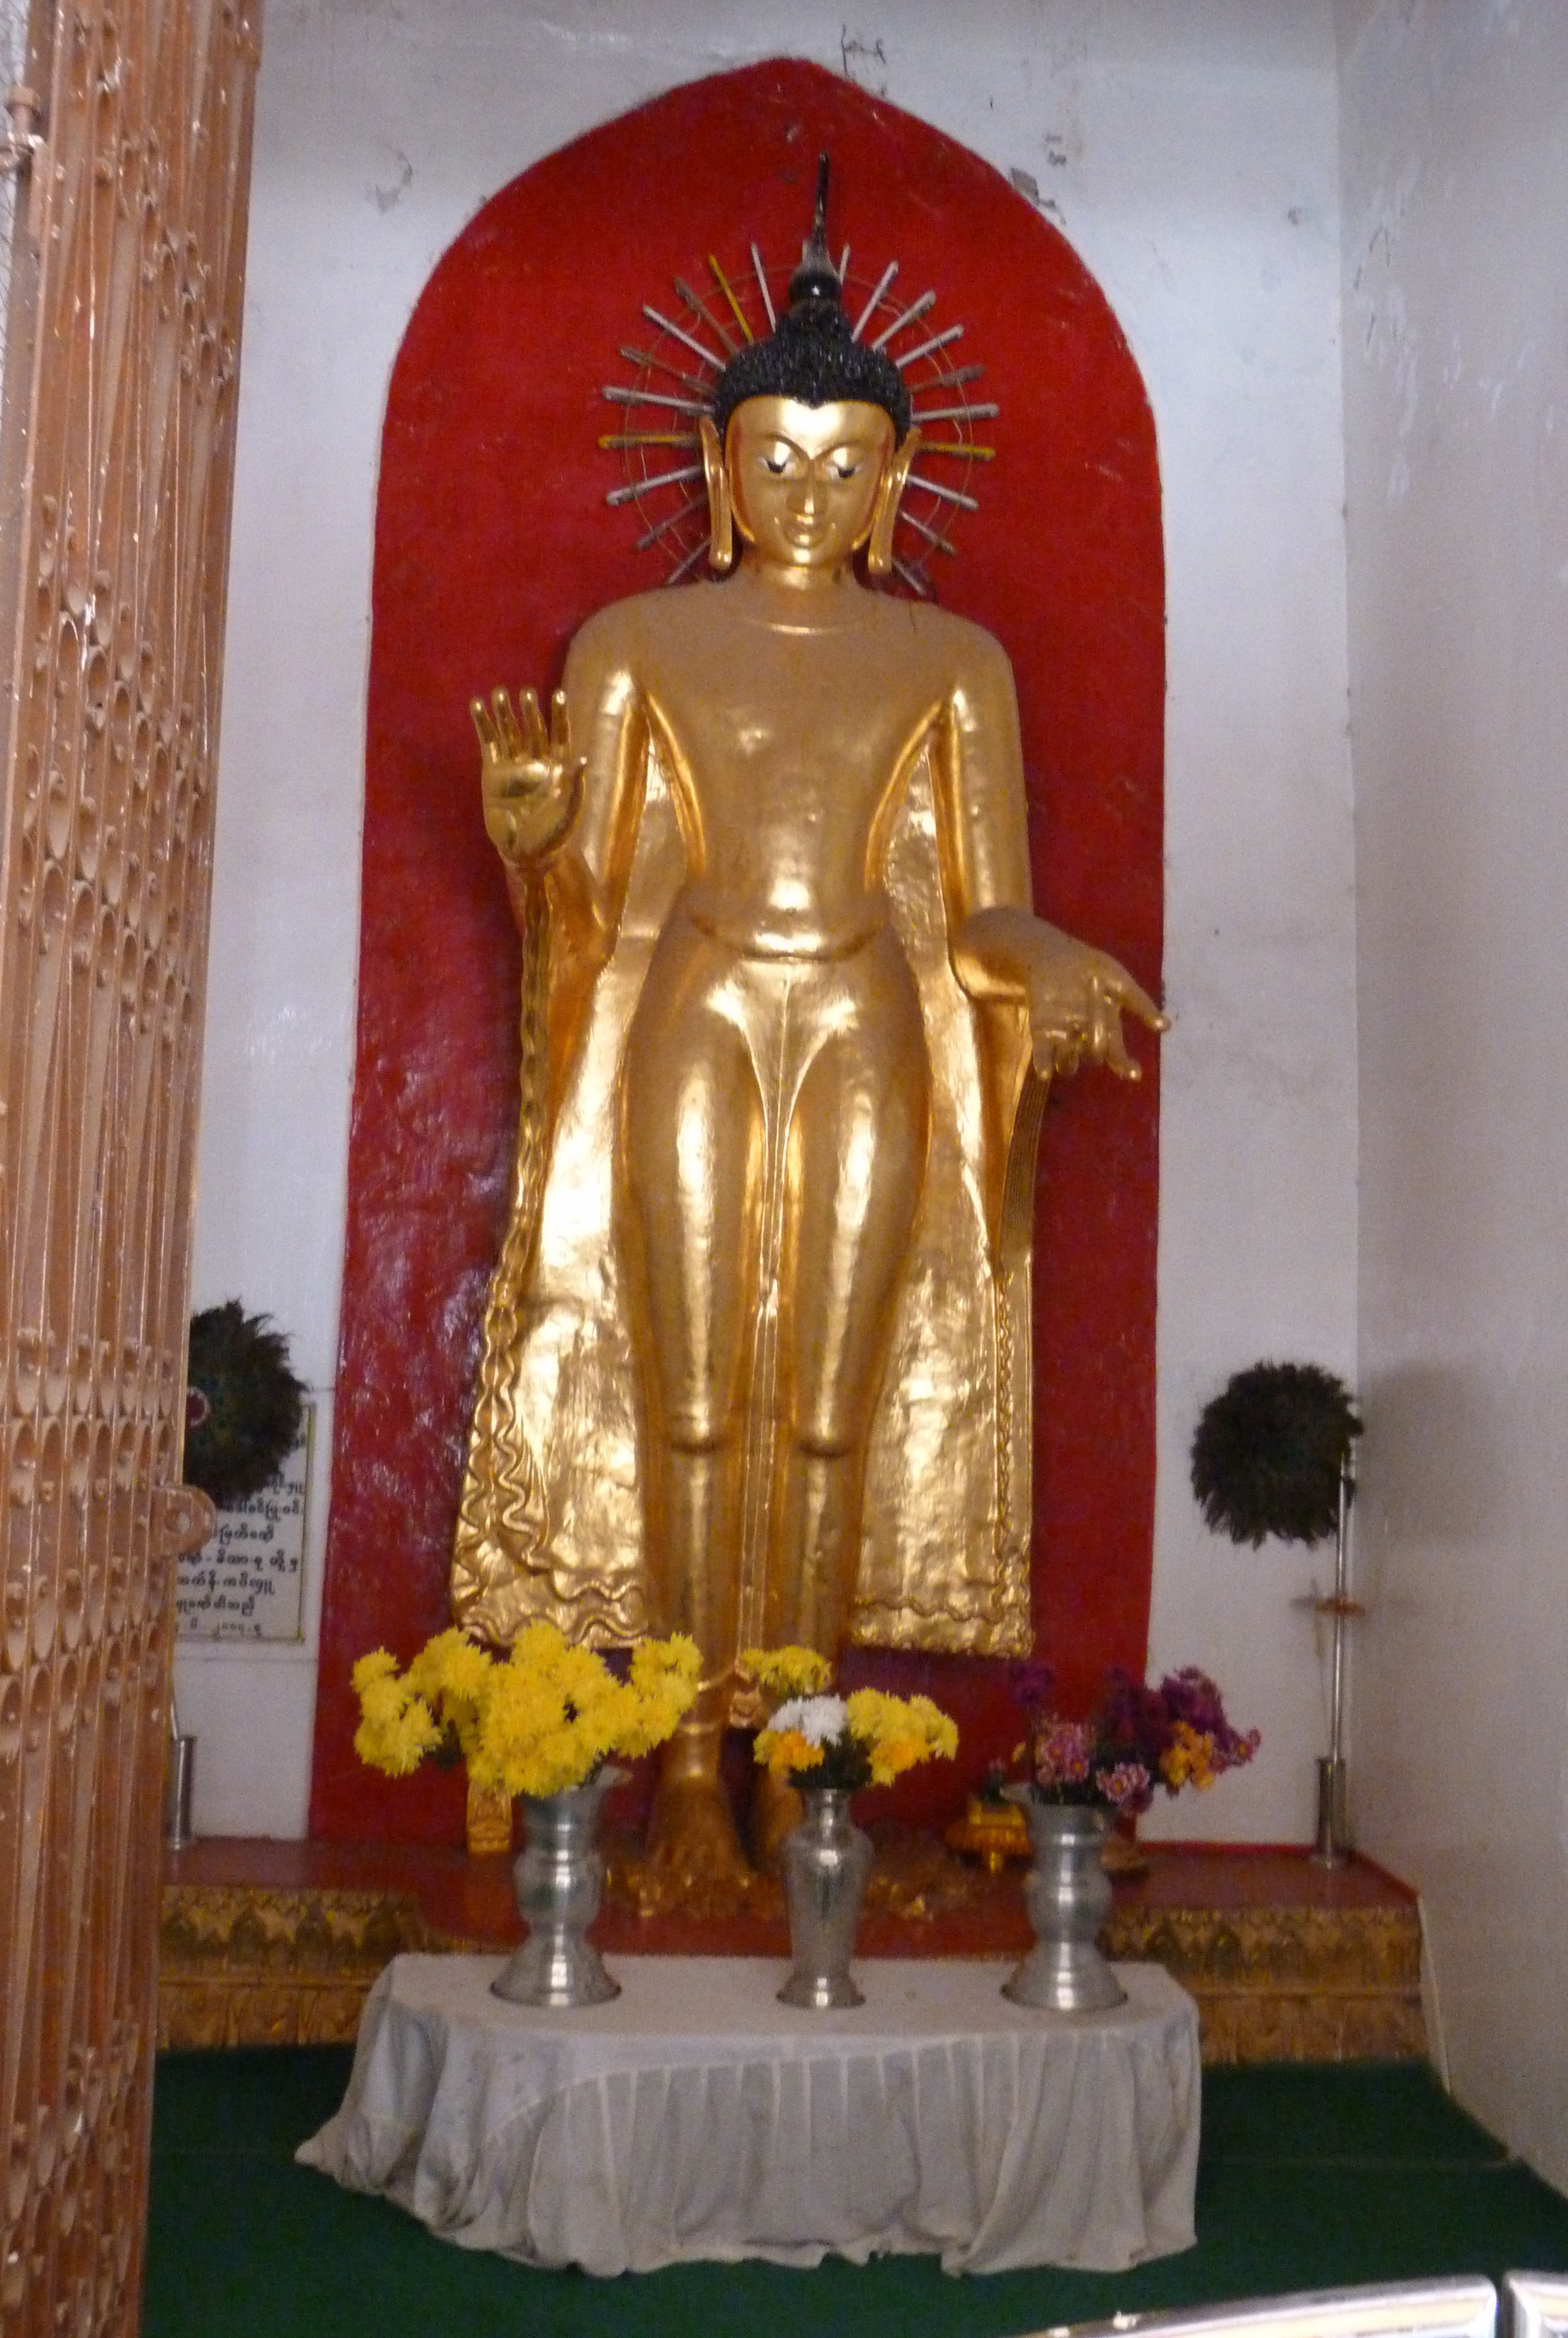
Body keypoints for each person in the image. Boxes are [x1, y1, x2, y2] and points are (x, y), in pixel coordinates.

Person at [454, 166, 1163, 1890]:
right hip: (699, 1001)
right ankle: (686, 1764)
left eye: (845, 466)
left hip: (860, 1012)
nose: (805, 492)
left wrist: (1047, 949)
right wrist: (531, 826)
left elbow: (979, 899)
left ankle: (797, 1767)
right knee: (694, 1393)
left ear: (894, 477)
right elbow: (589, 903)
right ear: (714, 464)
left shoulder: (947, 661)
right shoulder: (639, 639)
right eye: (772, 457)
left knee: (828, 1404)